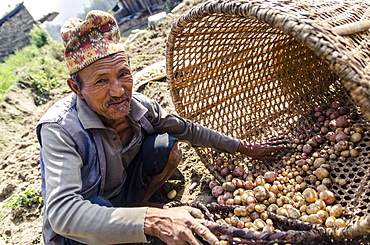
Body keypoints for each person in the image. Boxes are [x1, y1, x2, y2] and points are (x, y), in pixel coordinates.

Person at [36, 10, 287, 245]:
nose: (118, 91)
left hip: (123, 193)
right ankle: (140, 224)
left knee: (165, 146)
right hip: (80, 233)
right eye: (101, 81)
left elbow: (187, 129)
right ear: (76, 88)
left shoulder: (139, 106)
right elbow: (63, 214)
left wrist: (242, 147)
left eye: (123, 74)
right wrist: (154, 220)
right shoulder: (60, 129)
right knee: (99, 203)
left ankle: (140, 210)